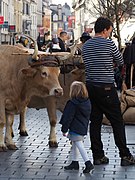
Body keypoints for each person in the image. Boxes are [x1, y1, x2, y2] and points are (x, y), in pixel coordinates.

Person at [82, 17, 135, 166]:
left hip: (91, 87)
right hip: (106, 87)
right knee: (117, 121)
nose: (110, 34)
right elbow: (120, 61)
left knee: (95, 121)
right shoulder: (109, 44)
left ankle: (98, 156)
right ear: (105, 30)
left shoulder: (86, 46)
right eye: (110, 31)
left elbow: (86, 62)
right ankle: (125, 155)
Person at [59, 81, 94, 173]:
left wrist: (64, 129)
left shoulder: (73, 103)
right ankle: (75, 162)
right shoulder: (87, 102)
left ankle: (88, 163)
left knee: (79, 144)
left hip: (75, 127)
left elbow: (68, 117)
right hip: (82, 126)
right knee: (75, 144)